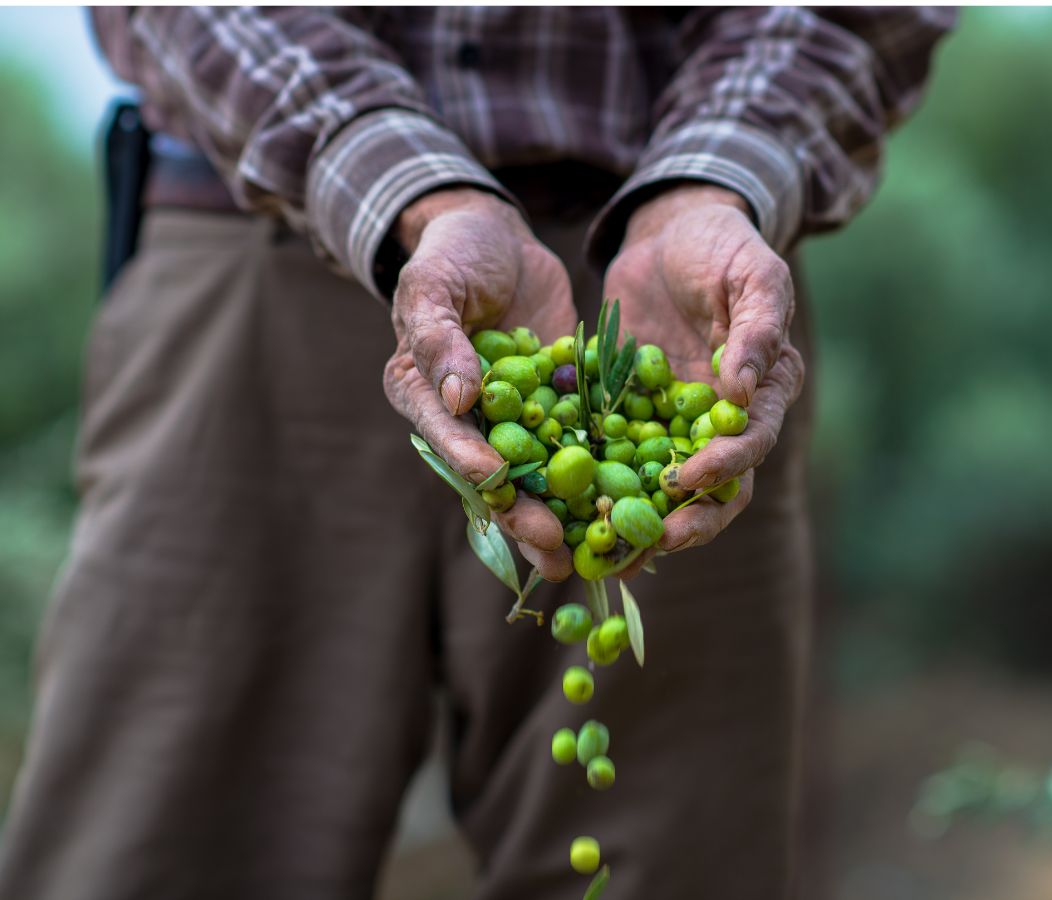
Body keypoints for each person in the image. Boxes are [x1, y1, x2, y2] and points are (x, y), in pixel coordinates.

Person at [0, 8, 953, 899]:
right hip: (253, 250)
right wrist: (410, 186)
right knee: (155, 852)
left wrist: (715, 177)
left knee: (649, 867)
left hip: (679, 295)